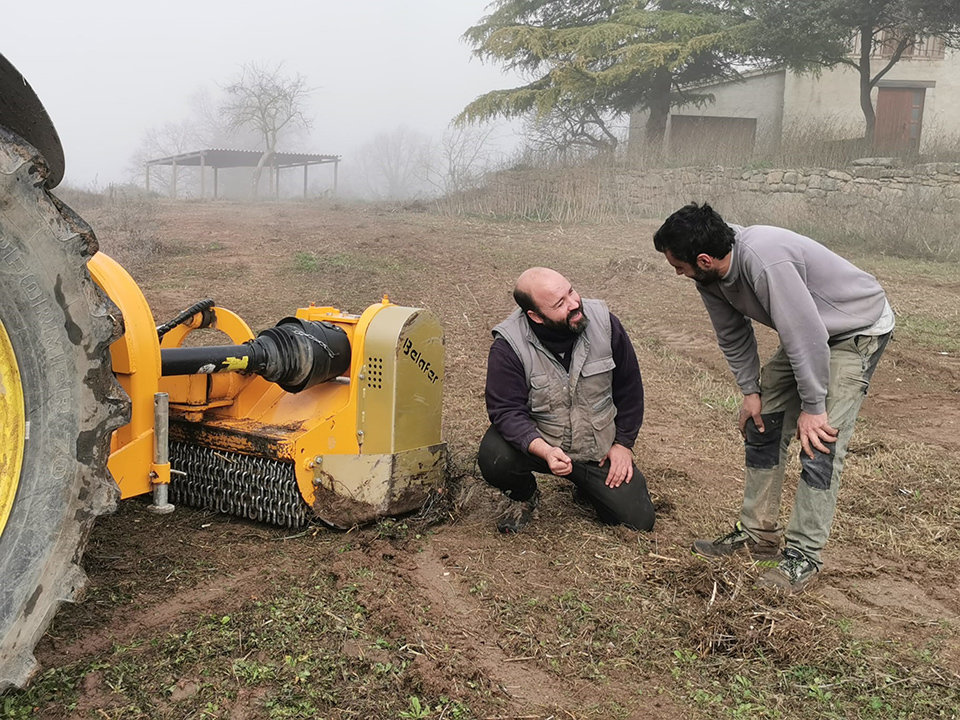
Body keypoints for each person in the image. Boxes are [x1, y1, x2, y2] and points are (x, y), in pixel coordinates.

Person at [653, 203, 894, 594]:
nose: (679, 275)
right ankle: (757, 534)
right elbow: (732, 333)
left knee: (821, 444)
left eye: (679, 267)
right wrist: (751, 392)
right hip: (810, 329)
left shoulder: (765, 261)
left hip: (855, 329)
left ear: (703, 259)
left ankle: (804, 556)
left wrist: (814, 408)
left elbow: (806, 336)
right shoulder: (710, 275)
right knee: (763, 423)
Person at [478, 267, 655, 534]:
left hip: (597, 449)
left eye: (571, 291)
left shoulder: (606, 325)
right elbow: (506, 411)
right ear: (535, 316)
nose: (574, 304)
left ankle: (587, 486)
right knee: (495, 456)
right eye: (560, 303)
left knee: (638, 522)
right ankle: (524, 496)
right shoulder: (509, 346)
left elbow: (629, 388)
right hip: (545, 443)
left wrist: (623, 445)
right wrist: (545, 451)